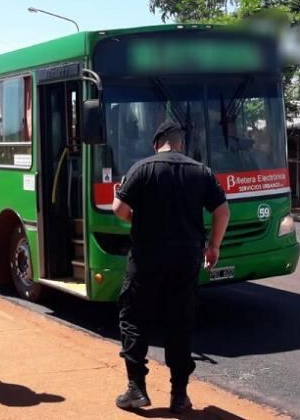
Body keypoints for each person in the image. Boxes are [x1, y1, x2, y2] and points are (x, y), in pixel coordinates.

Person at [111, 120, 230, 413]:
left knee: (133, 319)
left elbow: (120, 210)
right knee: (179, 324)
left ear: (157, 143)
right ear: (180, 144)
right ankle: (179, 396)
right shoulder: (200, 171)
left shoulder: (141, 169)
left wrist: (136, 217)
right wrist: (213, 246)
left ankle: (136, 389)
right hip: (185, 260)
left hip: (145, 259)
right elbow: (222, 210)